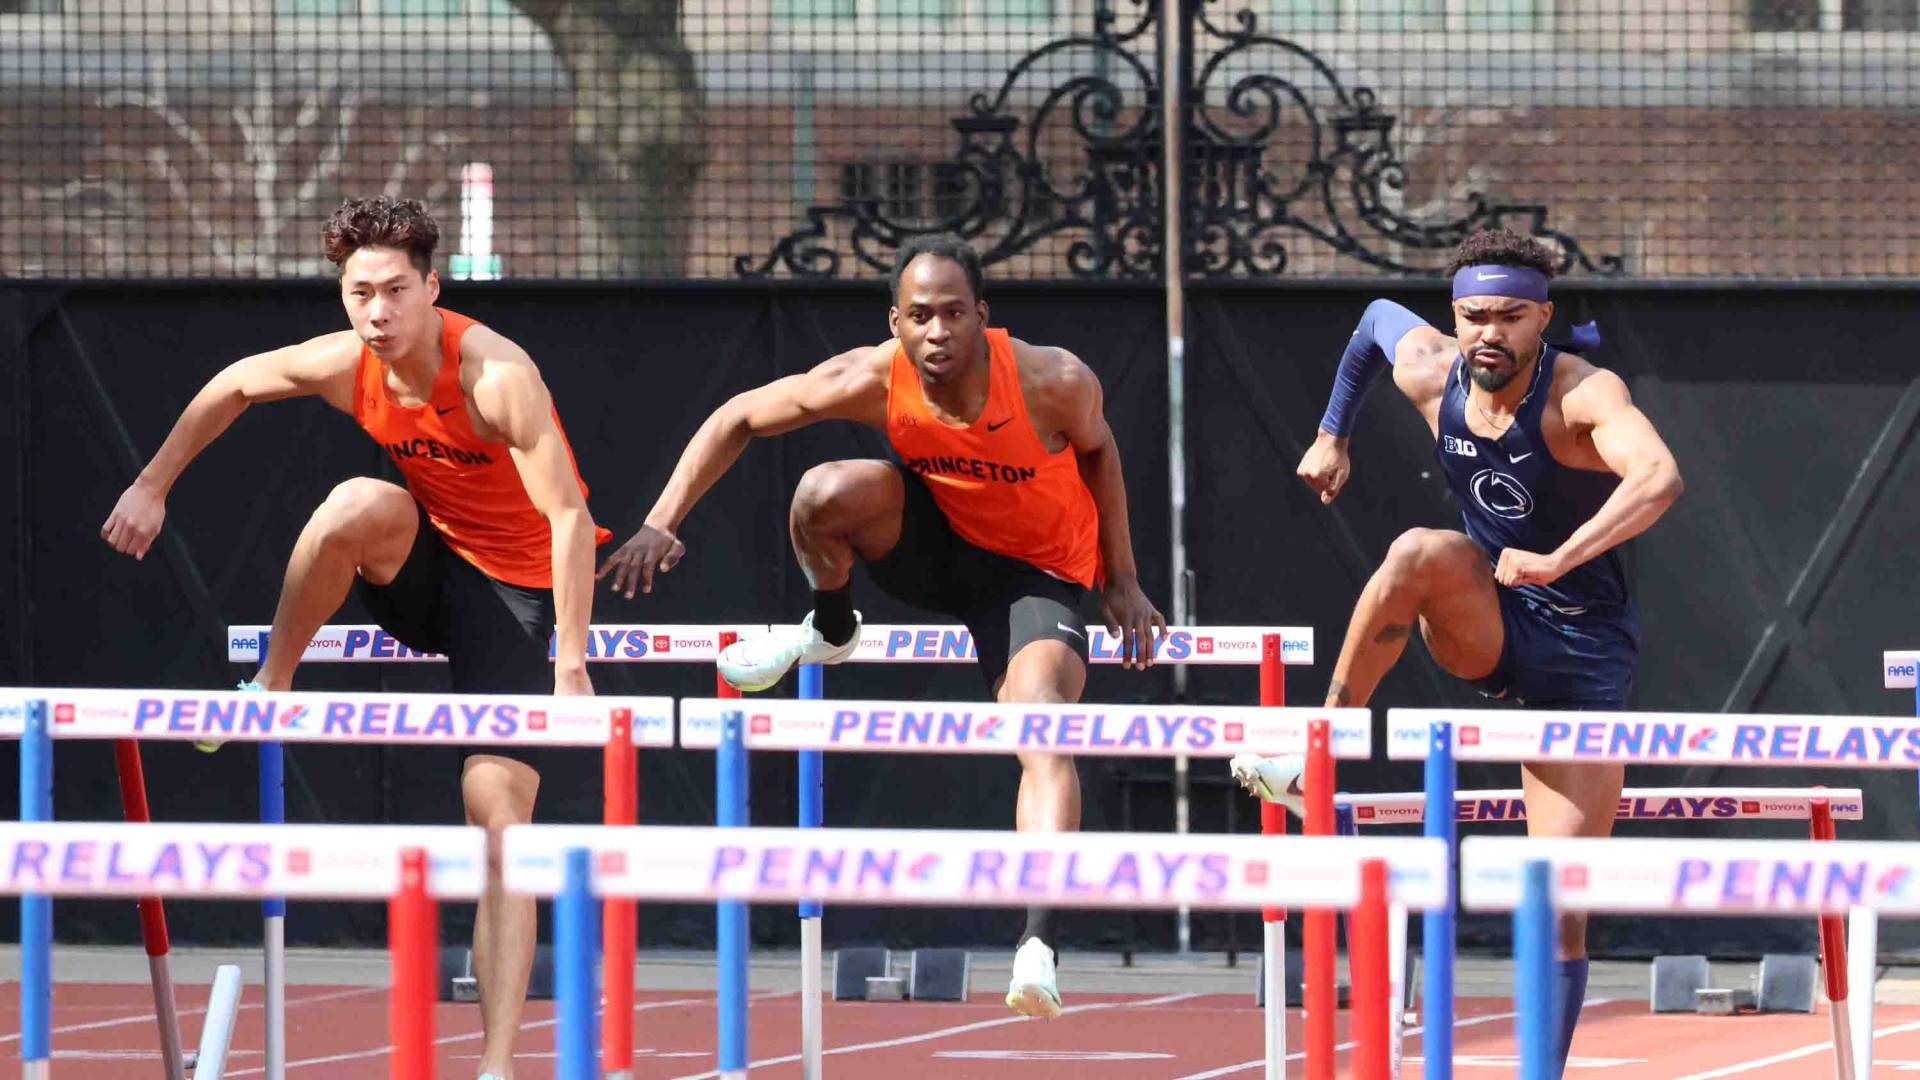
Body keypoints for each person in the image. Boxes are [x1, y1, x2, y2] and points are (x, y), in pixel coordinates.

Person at [598, 231, 1166, 1019]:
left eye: (955, 314)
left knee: (1039, 721)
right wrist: (661, 520)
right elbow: (737, 416)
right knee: (824, 491)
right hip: (932, 547)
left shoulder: (1050, 380)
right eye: (922, 316)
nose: (939, 333)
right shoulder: (871, 375)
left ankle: (1038, 941)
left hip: (1036, 577)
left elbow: (1101, 456)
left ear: (982, 317)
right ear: (895, 321)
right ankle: (831, 626)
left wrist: (1123, 579)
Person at [101, 196, 607, 1080]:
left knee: (499, 824)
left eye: (396, 291)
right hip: (425, 567)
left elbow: (569, 518)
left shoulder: (495, 374)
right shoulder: (347, 364)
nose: (377, 313)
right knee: (355, 505)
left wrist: (570, 665)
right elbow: (233, 385)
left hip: (519, 603)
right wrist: (153, 484)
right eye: (359, 292)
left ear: (432, 288)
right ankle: (272, 689)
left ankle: (494, 1066)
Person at [1231, 228, 1682, 1075]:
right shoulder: (1433, 371)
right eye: (1475, 315)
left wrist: (1559, 556)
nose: (1489, 333)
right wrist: (1334, 432)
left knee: (1556, 907)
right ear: (1455, 316)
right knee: (1416, 552)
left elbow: (1658, 476)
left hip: (1582, 652)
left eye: (1510, 316)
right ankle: (1317, 747)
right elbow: (1371, 319)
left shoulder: (1580, 396)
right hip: (1491, 618)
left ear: (1542, 318)